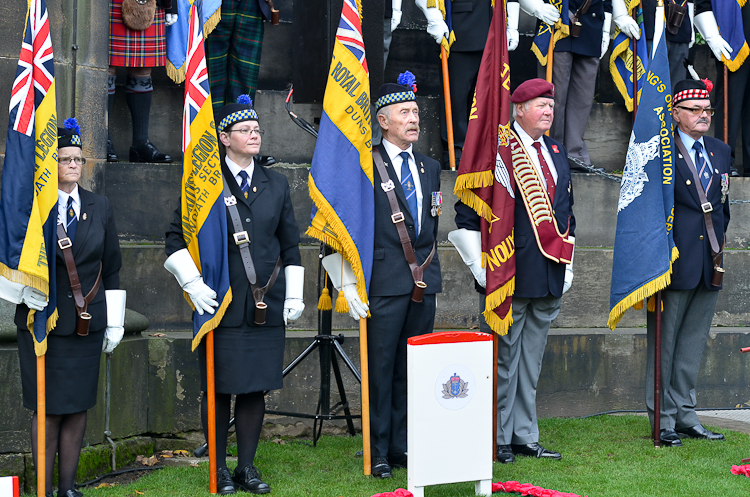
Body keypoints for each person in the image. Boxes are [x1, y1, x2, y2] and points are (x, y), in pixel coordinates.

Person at [164, 96, 305, 494]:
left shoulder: (276, 183)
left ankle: (246, 468)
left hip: (265, 304)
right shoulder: (204, 182)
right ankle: (219, 470)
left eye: (257, 129)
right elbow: (175, 238)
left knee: (255, 386)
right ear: (225, 138)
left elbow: (290, 244)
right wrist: (192, 284)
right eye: (245, 130)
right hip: (220, 303)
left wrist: (294, 294)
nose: (254, 134)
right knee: (219, 387)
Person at [323, 73, 442, 479]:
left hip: (423, 284)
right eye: (404, 112)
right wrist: (346, 282)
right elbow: (338, 226)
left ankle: (403, 445)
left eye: (416, 112)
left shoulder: (430, 166)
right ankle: (377, 450)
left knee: (413, 368)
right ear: (383, 121)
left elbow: (429, 226)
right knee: (381, 369)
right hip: (383, 283)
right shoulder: (363, 165)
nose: (414, 119)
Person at [452, 79, 575, 463]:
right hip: (510, 273)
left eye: (551, 105)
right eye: (540, 105)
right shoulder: (497, 152)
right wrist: (480, 269)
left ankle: (525, 435)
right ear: (518, 109)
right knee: (503, 362)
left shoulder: (555, 150)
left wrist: (568, 263)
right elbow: (468, 214)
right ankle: (498, 436)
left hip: (550, 271)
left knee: (531, 361)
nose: (548, 111)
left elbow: (567, 212)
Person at [0, 119, 124, 497]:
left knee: (77, 408)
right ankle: (44, 488)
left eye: (78, 159)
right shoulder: (31, 207)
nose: (72, 165)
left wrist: (115, 323)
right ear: (48, 163)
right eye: (64, 159)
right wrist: (21, 294)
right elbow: (8, 255)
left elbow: (113, 266)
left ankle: (68, 488)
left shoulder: (99, 206)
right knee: (48, 408)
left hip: (87, 325)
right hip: (44, 323)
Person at [646, 79, 730, 447]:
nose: (704, 116)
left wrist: (718, 244)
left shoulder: (721, 150)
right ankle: (662, 419)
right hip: (673, 260)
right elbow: (649, 211)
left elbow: (723, 206)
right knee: (663, 345)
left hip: (710, 258)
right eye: (695, 110)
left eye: (708, 110)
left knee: (693, 342)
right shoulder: (661, 151)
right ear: (676, 113)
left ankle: (686, 415)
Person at [527, 0, 638, 167]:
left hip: (591, 24)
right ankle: (551, 150)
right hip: (559, 22)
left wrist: (607, 28)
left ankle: (574, 154)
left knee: (582, 99)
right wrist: (536, 7)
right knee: (555, 97)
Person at [108, 0, 176, 163]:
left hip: (147, 3)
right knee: (105, 66)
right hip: (106, 4)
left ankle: (141, 143)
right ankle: (102, 139)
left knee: (143, 67)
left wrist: (171, 4)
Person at [206, 0, 275, 112]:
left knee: (245, 72)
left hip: (252, 4)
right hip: (214, 4)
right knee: (213, 70)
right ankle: (211, 125)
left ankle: (240, 125)